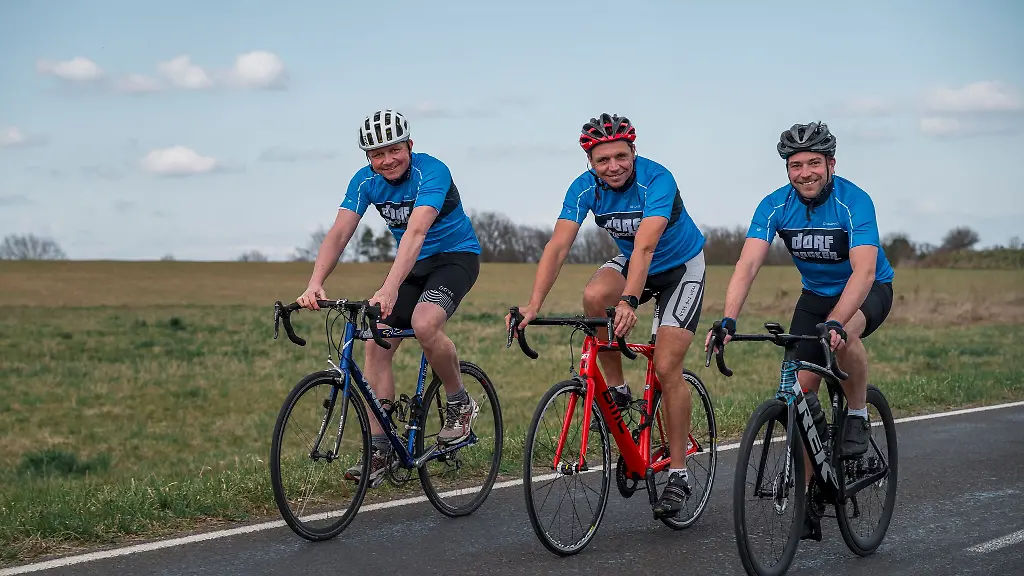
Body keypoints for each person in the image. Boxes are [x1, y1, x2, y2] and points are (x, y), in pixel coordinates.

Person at [506, 113, 707, 519]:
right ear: (590, 163)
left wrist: (630, 301)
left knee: (667, 366)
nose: (613, 166)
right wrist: (534, 304)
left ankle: (679, 473)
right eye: (603, 160)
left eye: (621, 156)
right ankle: (617, 389)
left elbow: (646, 246)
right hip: (633, 262)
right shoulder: (584, 188)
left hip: (680, 268)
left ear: (634, 152)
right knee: (594, 296)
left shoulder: (657, 180)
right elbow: (558, 246)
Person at [704, 121, 894, 540]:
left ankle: (857, 415)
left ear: (831, 164)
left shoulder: (854, 202)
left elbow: (864, 272)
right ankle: (812, 491)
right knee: (800, 394)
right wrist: (728, 319)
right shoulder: (775, 205)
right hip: (815, 297)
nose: (805, 173)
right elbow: (747, 265)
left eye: (813, 163)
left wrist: (837, 321)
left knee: (844, 337)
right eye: (796, 165)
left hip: (867, 290)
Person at [297, 109, 483, 488]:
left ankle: (460, 403)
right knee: (375, 341)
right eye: (377, 154)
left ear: (410, 145)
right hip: (411, 265)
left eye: (394, 150)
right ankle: (381, 449)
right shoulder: (365, 181)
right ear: (368, 158)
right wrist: (315, 282)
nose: (387, 160)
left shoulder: (432, 172)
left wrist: (389, 287)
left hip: (454, 258)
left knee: (424, 323)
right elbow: (339, 233)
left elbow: (415, 232)